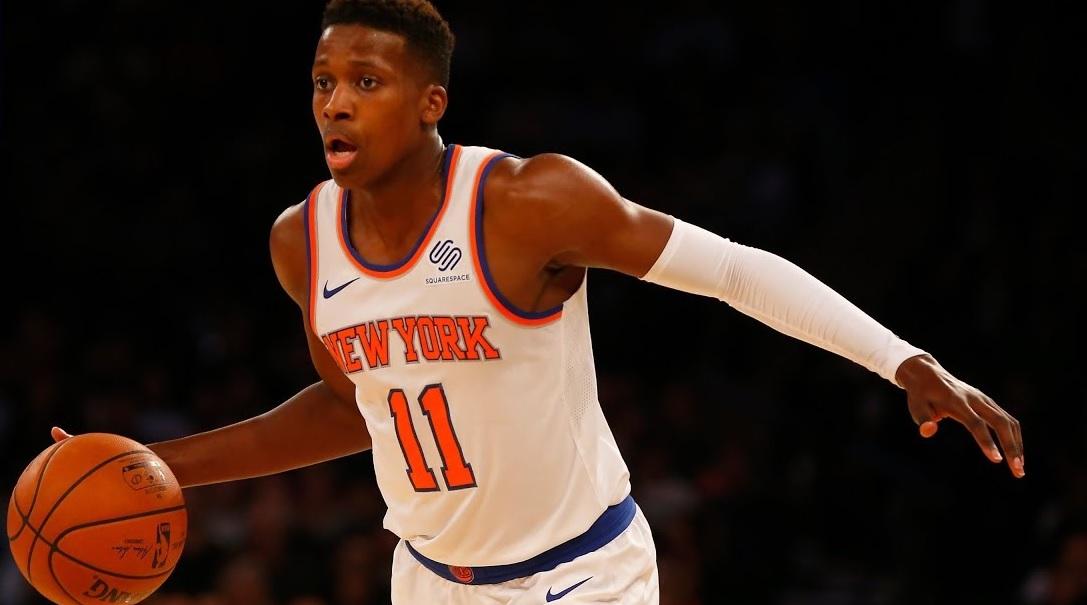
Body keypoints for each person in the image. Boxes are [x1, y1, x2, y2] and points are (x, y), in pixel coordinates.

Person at [51, 0, 1025, 603]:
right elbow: (358, 405)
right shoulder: (300, 240)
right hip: (427, 580)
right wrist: (154, 466)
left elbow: (731, 269)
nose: (334, 102)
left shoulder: (527, 201)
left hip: (580, 575)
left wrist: (900, 358)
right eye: (322, 81)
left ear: (430, 103)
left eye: (365, 81)